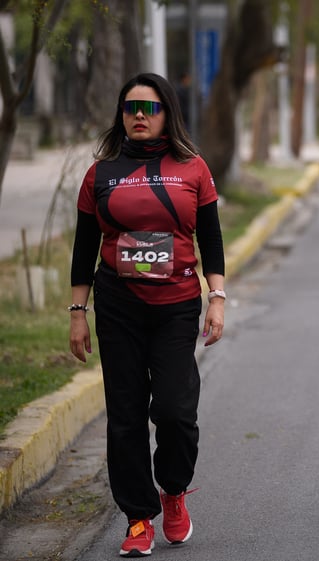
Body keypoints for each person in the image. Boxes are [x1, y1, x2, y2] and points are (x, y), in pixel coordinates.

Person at [68, 72, 225, 557]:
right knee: (126, 415)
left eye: (150, 108)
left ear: (167, 114)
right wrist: (78, 310)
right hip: (118, 306)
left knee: (177, 411)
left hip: (176, 306)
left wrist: (216, 296)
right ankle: (138, 517)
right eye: (131, 107)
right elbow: (84, 247)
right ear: (121, 115)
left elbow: (212, 240)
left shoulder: (192, 168)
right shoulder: (101, 174)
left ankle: (173, 491)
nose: (139, 115)